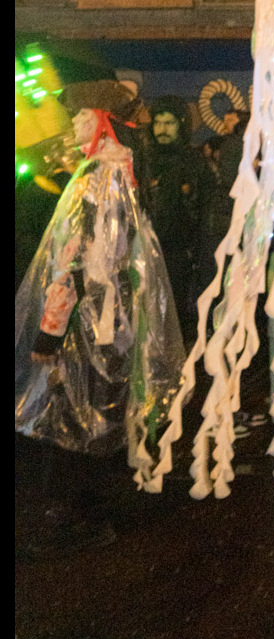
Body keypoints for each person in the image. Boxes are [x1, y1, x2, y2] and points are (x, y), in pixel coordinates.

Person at [15, 80, 185, 551]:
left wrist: (49, 333)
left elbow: (76, 262)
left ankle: (68, 520)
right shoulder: (123, 176)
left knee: (69, 420)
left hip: (86, 328)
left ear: (103, 122)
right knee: (96, 417)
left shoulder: (97, 183)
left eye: (82, 116)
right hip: (113, 326)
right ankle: (90, 512)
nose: (73, 124)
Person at [140, 96, 213, 342]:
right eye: (158, 123)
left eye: (169, 123)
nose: (162, 129)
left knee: (175, 316)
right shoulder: (144, 161)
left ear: (181, 125)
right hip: (144, 250)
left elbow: (204, 210)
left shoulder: (194, 162)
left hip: (180, 255)